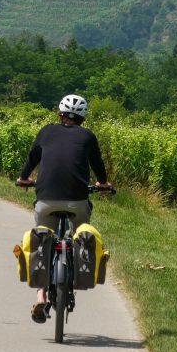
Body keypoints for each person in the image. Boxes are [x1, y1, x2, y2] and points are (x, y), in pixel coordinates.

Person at [16, 93, 113, 323]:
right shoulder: (88, 136)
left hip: (46, 199)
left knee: (41, 241)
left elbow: (32, 159)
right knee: (81, 236)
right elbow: (98, 165)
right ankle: (76, 271)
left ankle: (41, 297)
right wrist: (103, 184)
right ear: (83, 118)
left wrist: (23, 179)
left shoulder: (46, 131)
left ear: (59, 114)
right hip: (77, 201)